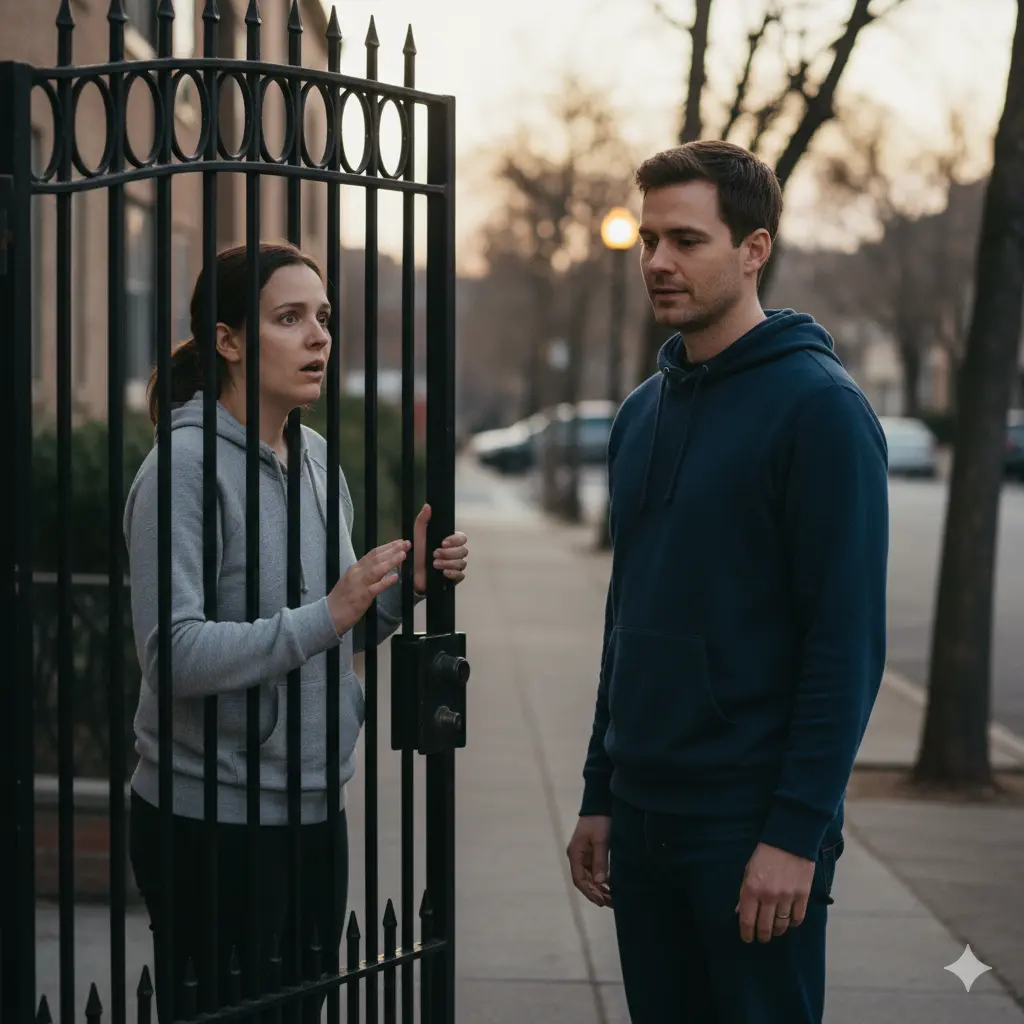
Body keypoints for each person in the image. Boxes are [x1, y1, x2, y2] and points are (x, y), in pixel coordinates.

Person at [565, 141, 889, 1022]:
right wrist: (601, 791)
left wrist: (794, 832)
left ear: (754, 250)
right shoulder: (640, 412)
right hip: (640, 819)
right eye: (649, 240)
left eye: (687, 240)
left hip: (749, 827)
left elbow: (846, 646)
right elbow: (626, 618)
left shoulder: (820, 410)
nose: (659, 262)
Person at [125, 241, 470, 1023]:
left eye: (322, 318)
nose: (319, 337)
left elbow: (331, 632)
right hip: (208, 821)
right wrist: (332, 611)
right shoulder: (183, 468)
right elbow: (171, 654)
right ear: (229, 340)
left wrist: (399, 592)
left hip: (315, 809)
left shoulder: (316, 458)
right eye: (289, 319)